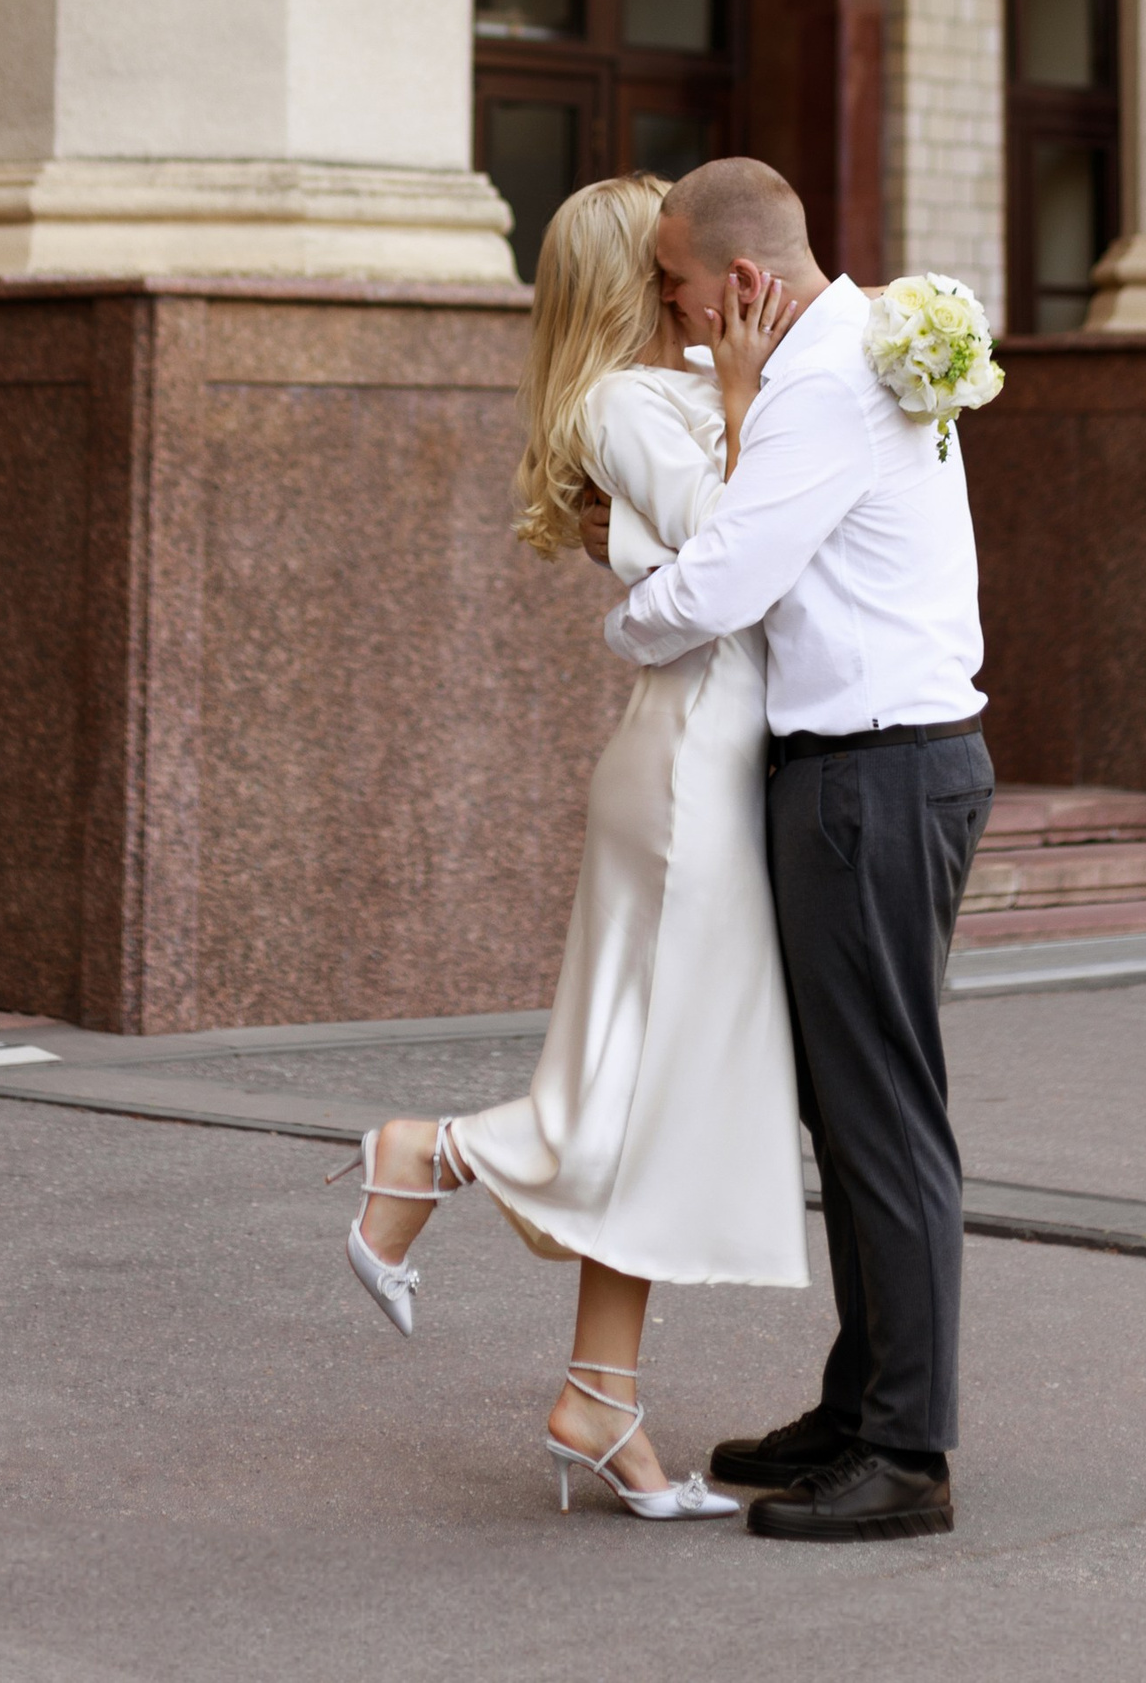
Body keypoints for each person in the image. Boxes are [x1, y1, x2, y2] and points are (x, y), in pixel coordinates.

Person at [342, 173, 807, 1519]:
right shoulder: (621, 402)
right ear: (631, 279)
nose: (700, 278)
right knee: (641, 1079)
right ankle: (426, 1153)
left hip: (715, 754)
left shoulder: (669, 388)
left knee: (670, 1091)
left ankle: (601, 1396)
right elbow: (740, 547)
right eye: (669, 261)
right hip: (691, 767)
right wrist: (741, 399)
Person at [595, 155, 992, 1544]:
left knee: (881, 1115)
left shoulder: (825, 384)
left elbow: (723, 580)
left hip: (871, 774)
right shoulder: (864, 343)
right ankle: (862, 1404)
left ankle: (906, 1453)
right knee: (855, 1106)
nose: (674, 310)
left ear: (746, 280)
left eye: (678, 285)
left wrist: (622, 618)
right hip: (889, 768)